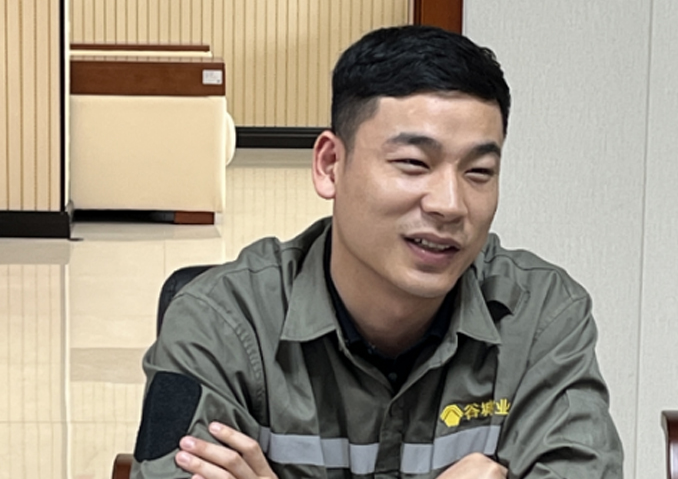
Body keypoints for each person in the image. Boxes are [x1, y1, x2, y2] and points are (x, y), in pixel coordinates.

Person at [131, 25, 623, 479]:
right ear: (330, 165)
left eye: (479, 172)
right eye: (413, 163)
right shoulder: (220, 321)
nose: (450, 205)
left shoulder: (541, 318)